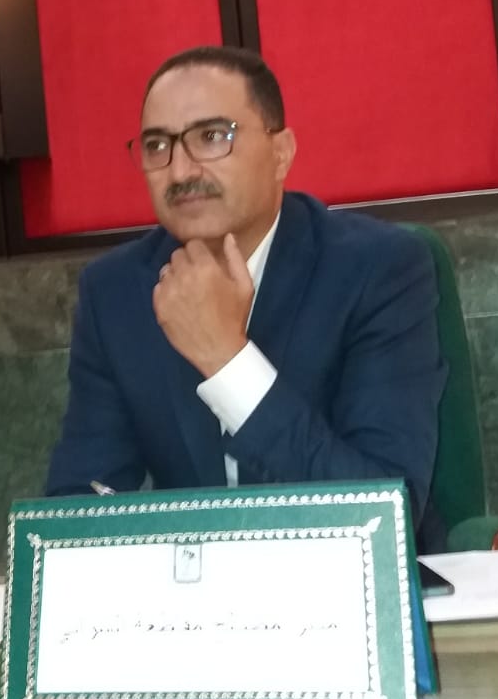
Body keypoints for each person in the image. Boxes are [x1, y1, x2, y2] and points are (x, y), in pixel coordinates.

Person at [46, 46, 448, 550]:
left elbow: (381, 511)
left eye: (212, 137)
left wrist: (228, 362)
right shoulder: (116, 293)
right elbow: (79, 503)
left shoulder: (378, 269)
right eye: (157, 146)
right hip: (193, 586)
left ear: (281, 153)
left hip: (351, 583)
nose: (179, 171)